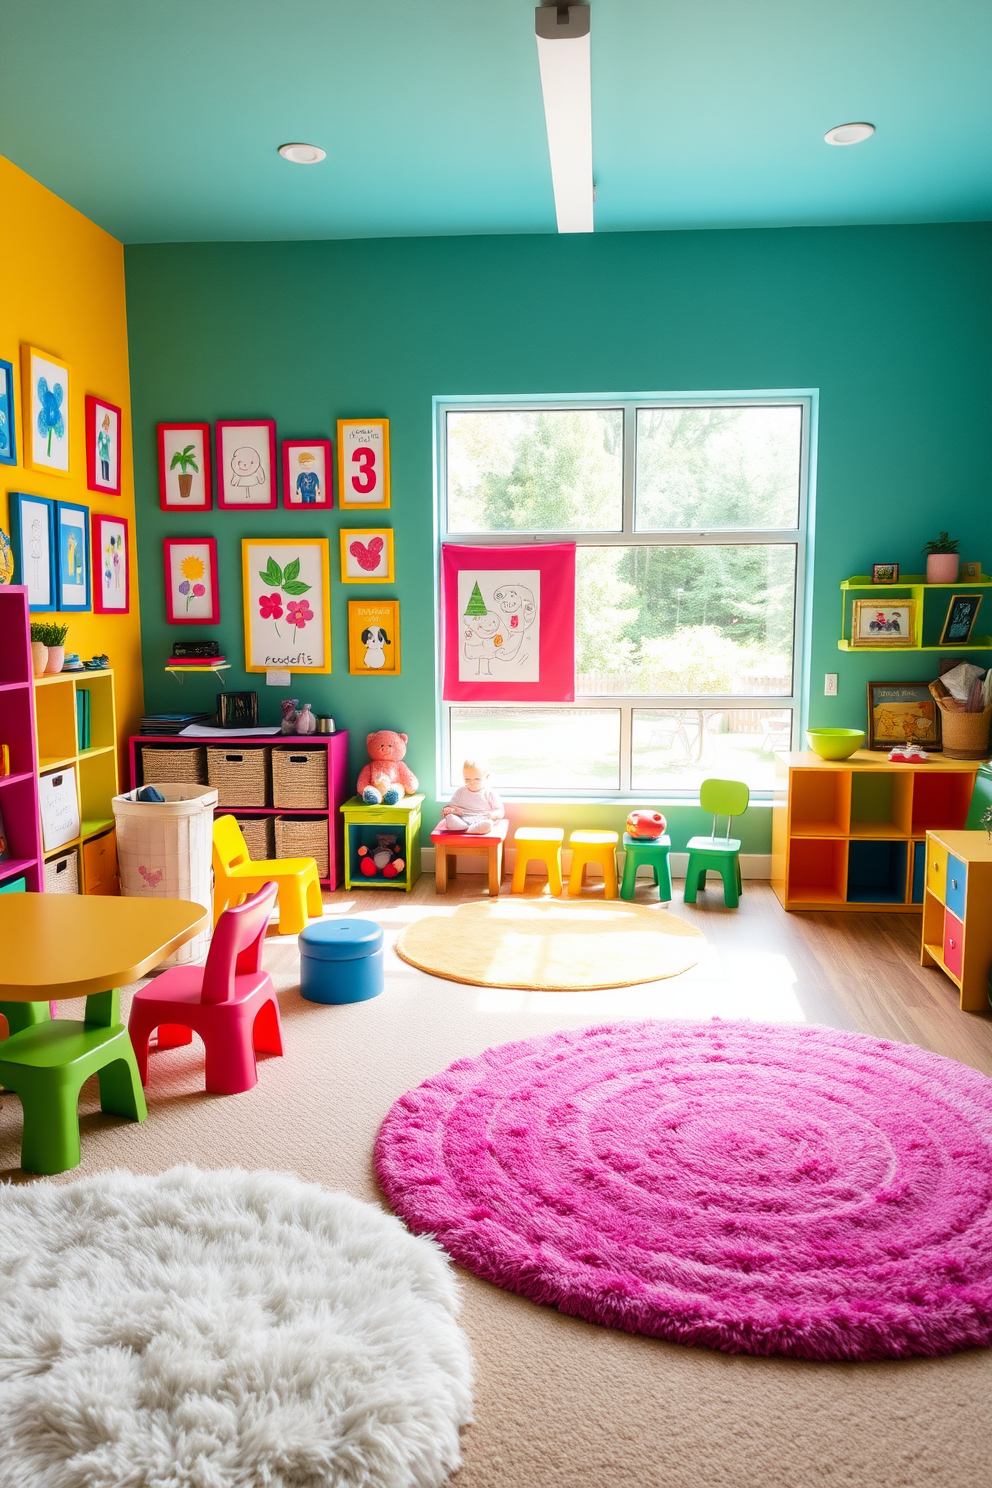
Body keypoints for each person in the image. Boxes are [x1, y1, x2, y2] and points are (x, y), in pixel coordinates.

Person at [439, 758, 504, 834]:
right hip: (463, 819)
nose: (472, 783)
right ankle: (461, 827)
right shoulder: (460, 791)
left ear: (486, 777)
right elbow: (451, 806)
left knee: (488, 823)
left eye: (477, 779)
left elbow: (500, 810)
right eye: (467, 779)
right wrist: (451, 810)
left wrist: (493, 814)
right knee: (450, 818)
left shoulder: (489, 792)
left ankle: (475, 828)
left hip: (482, 818)